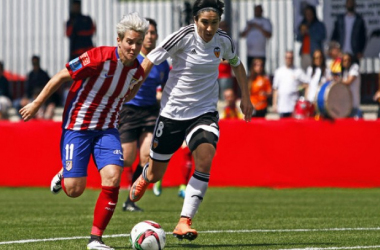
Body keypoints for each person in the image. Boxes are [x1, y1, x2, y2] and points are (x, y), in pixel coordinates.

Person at [20, 12, 148, 250]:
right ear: (119, 39)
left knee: (113, 178)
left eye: (138, 43)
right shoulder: (98, 57)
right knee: (74, 190)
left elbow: (129, 93)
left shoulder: (137, 71)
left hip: (107, 129)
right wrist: (37, 104)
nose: (133, 47)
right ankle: (65, 174)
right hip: (77, 126)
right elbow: (61, 75)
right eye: (130, 41)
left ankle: (95, 240)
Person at [129, 0, 253, 241]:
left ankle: (184, 222)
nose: (209, 28)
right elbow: (150, 59)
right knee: (156, 174)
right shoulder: (182, 37)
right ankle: (145, 176)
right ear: (195, 21)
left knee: (205, 158)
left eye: (214, 23)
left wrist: (245, 98)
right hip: (172, 114)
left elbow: (237, 66)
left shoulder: (223, 41)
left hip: (204, 112)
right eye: (204, 23)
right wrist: (134, 88)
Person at [119, 18, 170, 212]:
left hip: (150, 111)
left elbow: (166, 87)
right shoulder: (131, 57)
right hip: (129, 110)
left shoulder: (162, 62)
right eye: (147, 33)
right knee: (126, 159)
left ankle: (130, 201)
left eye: (153, 33)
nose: (150, 36)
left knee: (147, 157)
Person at [272, 51, 308, 118]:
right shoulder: (279, 72)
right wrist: (274, 104)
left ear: (293, 59)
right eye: (287, 58)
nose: (289, 59)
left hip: (293, 106)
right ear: (285, 58)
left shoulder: (298, 71)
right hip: (282, 106)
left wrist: (298, 88)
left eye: (291, 58)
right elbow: (275, 89)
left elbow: (307, 84)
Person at [23, 55, 59, 119]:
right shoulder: (31, 75)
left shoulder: (44, 74)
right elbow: (28, 89)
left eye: (36, 63)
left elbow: (48, 87)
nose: (35, 64)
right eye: (34, 63)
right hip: (33, 98)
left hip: (44, 97)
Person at [239, 4, 272, 72]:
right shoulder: (250, 21)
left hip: (261, 53)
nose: (257, 12)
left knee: (260, 72)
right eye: (256, 10)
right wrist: (249, 27)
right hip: (250, 53)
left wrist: (259, 27)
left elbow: (269, 35)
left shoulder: (266, 21)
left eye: (259, 10)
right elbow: (242, 35)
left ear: (262, 11)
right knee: (251, 72)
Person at [296, 5, 326, 71]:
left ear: (313, 14)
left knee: (314, 72)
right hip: (304, 54)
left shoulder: (319, 25)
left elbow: (322, 37)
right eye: (307, 14)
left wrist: (309, 31)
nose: (308, 16)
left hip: (314, 54)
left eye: (310, 14)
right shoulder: (303, 24)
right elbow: (298, 39)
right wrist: (302, 33)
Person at [340, 53, 362, 118]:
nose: (346, 62)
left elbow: (348, 82)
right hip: (344, 107)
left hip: (354, 106)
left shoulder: (355, 67)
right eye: (344, 60)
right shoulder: (344, 72)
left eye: (348, 60)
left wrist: (337, 81)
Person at [217, 20, 234, 101]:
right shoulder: (215, 41)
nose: (222, 28)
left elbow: (231, 58)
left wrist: (218, 59)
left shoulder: (230, 41)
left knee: (225, 98)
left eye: (224, 26)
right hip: (215, 73)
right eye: (220, 26)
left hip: (226, 75)